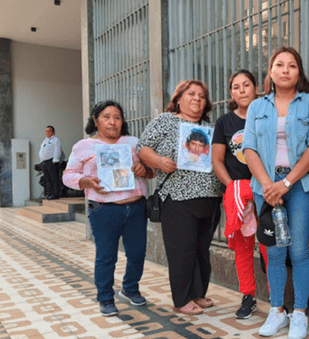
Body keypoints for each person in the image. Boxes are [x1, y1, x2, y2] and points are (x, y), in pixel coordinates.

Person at [242, 46, 309, 339]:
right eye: (279, 64)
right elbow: (247, 148)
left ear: (299, 72)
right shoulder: (257, 107)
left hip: (299, 186)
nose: (286, 69)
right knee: (274, 253)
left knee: (299, 250)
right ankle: (277, 311)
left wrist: (286, 183)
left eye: (292, 65)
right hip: (266, 186)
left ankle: (299, 313)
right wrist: (268, 186)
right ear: (271, 72)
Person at [137, 79, 223, 315]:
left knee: (201, 249)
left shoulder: (211, 128)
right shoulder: (166, 121)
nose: (197, 98)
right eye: (191, 94)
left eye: (202, 96)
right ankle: (182, 298)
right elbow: (142, 147)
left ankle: (198, 293)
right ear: (178, 99)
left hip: (210, 197)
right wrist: (159, 162)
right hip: (177, 197)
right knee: (182, 249)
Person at [62, 100, 154, 317]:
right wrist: (86, 182)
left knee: (137, 253)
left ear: (123, 121)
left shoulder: (134, 143)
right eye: (106, 117)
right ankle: (105, 297)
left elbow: (152, 172)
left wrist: (144, 169)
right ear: (95, 120)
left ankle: (130, 288)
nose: (112, 122)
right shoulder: (83, 146)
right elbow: (68, 175)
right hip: (104, 210)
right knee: (106, 256)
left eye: (117, 117)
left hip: (136, 207)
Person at [212, 69, 266, 319]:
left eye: (247, 85)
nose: (242, 90)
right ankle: (248, 296)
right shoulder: (225, 122)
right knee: (243, 247)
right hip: (237, 193)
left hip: (265, 189)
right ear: (231, 92)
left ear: (256, 88)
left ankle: (276, 298)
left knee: (269, 245)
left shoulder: (266, 114)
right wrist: (233, 187)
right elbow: (217, 161)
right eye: (236, 86)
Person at [39, 125, 63, 199]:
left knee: (54, 178)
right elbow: (41, 150)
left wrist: (55, 160)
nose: (47, 132)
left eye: (49, 131)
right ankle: (48, 193)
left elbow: (57, 150)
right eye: (46, 131)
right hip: (45, 162)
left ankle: (55, 194)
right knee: (47, 179)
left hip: (52, 161)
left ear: (53, 132)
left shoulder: (56, 140)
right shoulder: (45, 141)